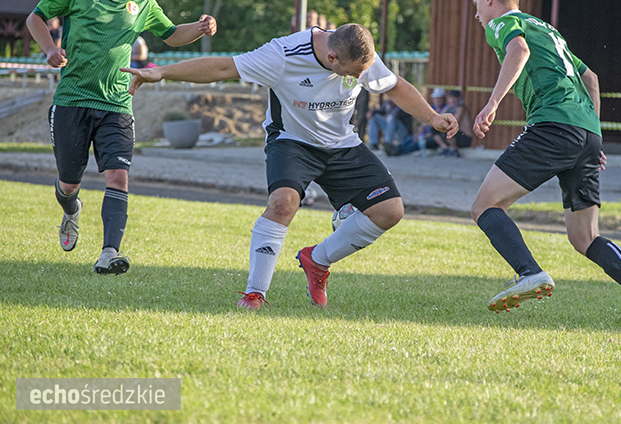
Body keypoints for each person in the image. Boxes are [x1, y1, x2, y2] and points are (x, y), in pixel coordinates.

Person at [123, 23, 458, 309]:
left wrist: (432, 118)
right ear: (331, 58)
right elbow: (224, 68)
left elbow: (395, 86)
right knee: (283, 203)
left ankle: (318, 260)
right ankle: (255, 293)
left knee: (390, 211)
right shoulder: (282, 55)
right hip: (292, 141)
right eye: (355, 73)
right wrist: (162, 73)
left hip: (342, 144)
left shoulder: (359, 55)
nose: (360, 78)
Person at [467, 0, 621, 322]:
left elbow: (518, 51)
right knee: (584, 237)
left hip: (552, 126)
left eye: (476, 5)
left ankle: (529, 272)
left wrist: (492, 103)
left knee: (484, 206)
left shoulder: (504, 24)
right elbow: (589, 77)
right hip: (586, 134)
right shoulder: (547, 30)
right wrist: (592, 133)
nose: (476, 15)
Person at [25, 0, 217, 276]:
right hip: (71, 101)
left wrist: (201, 27)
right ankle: (71, 209)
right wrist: (51, 49)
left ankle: (109, 253)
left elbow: (172, 35)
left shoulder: (141, 2)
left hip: (116, 104)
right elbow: (35, 17)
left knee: (118, 176)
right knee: (69, 182)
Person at [383, 87, 447, 156]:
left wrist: (426, 135)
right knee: (410, 139)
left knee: (416, 144)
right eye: (436, 98)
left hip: (434, 137)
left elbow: (438, 132)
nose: (438, 100)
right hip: (424, 135)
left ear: (443, 99)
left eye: (439, 98)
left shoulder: (445, 109)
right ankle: (395, 148)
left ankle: (399, 152)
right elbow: (424, 123)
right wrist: (419, 133)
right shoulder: (432, 108)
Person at [431, 89, 473, 156]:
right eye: (451, 97)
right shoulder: (448, 107)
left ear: (459, 98)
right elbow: (439, 118)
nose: (453, 100)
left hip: (465, 137)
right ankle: (444, 147)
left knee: (449, 129)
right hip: (455, 136)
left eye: (455, 97)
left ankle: (454, 150)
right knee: (433, 129)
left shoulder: (461, 108)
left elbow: (455, 122)